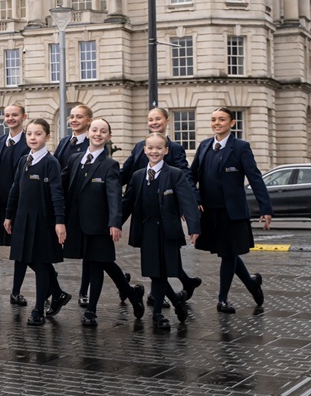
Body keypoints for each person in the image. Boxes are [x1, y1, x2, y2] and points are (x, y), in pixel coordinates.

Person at [61, 118, 144, 326]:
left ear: (109, 136)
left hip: (99, 224)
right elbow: (60, 184)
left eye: (103, 131)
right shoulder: (74, 159)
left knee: (97, 264)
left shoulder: (110, 164)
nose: (98, 134)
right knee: (102, 262)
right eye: (95, 130)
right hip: (77, 223)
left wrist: (115, 222)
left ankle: (91, 311)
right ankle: (132, 294)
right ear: (88, 132)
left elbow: (114, 195)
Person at [193, 107, 272, 313]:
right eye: (213, 120)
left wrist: (266, 208)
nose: (217, 123)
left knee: (228, 255)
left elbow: (255, 178)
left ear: (232, 123)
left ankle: (222, 299)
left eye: (221, 119)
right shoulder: (204, 146)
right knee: (227, 253)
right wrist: (195, 197)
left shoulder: (241, 147)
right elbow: (191, 177)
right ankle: (252, 283)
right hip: (210, 212)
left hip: (232, 212)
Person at [120, 106, 202, 300]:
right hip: (146, 209)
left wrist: (193, 200)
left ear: (167, 121)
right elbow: (125, 173)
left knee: (165, 256)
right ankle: (177, 288)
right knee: (156, 256)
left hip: (167, 209)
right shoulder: (141, 147)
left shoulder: (174, 149)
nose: (154, 122)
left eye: (158, 119)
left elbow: (185, 175)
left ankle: (160, 296)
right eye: (150, 119)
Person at [3, 117, 65, 326]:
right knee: (28, 259)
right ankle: (57, 293)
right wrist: (9, 215)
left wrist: (60, 220)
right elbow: (15, 189)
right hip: (22, 218)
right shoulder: (23, 160)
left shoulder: (50, 163)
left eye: (38, 134)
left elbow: (57, 193)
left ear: (47, 136)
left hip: (43, 220)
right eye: (29, 133)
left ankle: (39, 308)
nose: (33, 137)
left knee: (40, 263)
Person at [50, 103, 94, 311]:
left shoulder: (92, 144)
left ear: (89, 121)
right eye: (72, 117)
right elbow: (57, 169)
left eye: (79, 117)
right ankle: (53, 285)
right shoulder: (64, 142)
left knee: (87, 251)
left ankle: (84, 291)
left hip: (83, 204)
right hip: (64, 202)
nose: (74, 120)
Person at [0, 102, 30, 305]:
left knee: (20, 250)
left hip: (21, 205)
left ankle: (17, 291)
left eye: (15, 115)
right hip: (4, 205)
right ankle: (51, 285)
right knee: (18, 250)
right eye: (7, 115)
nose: (10, 118)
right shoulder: (0, 141)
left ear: (23, 117)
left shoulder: (29, 142)